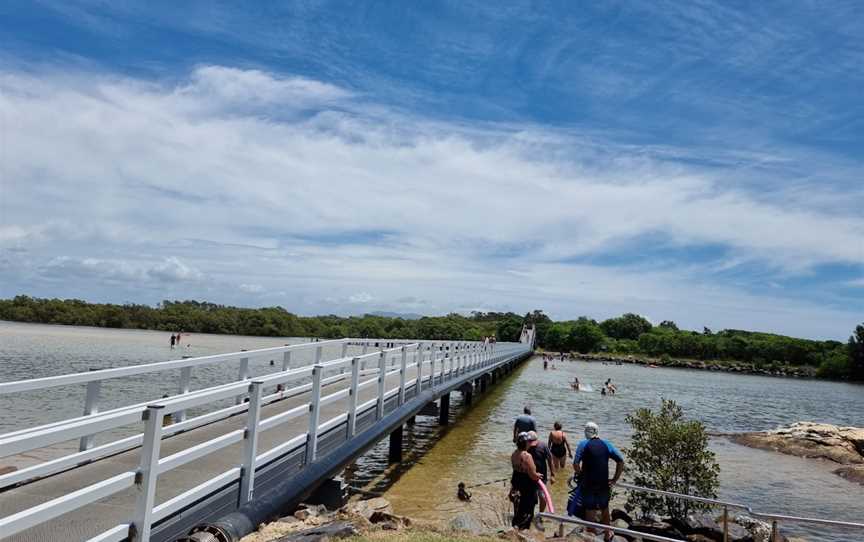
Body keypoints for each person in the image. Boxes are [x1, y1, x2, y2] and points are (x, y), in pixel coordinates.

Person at [572, 422, 624, 542]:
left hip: (588, 485)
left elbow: (575, 464)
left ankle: (591, 537)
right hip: (603, 484)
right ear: (597, 432)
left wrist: (581, 475)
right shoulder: (607, 444)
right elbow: (620, 461)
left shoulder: (583, 444)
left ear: (586, 432)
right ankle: (607, 534)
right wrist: (614, 479)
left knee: (590, 511)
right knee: (605, 508)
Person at [510, 432, 540, 530]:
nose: (529, 443)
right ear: (525, 443)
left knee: (518, 509)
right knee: (527, 511)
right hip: (527, 487)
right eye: (528, 442)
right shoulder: (527, 456)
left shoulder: (514, 454)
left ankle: (515, 527)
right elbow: (532, 475)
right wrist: (538, 475)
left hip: (516, 484)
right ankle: (523, 531)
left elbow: (517, 469)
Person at [527, 431, 554, 527]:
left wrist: (553, 475)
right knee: (530, 497)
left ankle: (540, 516)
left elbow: (550, 460)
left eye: (532, 442)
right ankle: (530, 515)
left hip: (542, 478)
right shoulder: (526, 446)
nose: (531, 444)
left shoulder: (543, 446)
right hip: (529, 477)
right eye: (529, 442)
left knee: (542, 497)